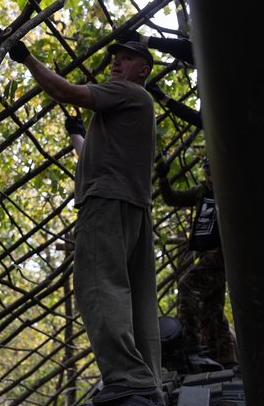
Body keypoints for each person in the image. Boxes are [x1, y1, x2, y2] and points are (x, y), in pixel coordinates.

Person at [9, 40, 162, 406]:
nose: (116, 63)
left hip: (105, 202)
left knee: (97, 283)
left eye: (127, 59)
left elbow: (65, 90)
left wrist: (27, 58)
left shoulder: (127, 92)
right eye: (115, 58)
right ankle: (147, 382)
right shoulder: (132, 109)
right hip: (131, 206)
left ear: (144, 70)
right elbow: (92, 158)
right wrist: (77, 133)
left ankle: (126, 375)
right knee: (134, 294)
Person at [156, 156, 237, 368]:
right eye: (207, 171)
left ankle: (189, 344)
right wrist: (163, 179)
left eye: (213, 171)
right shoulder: (202, 191)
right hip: (206, 253)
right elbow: (172, 198)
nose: (210, 175)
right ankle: (224, 358)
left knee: (187, 285)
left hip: (221, 253)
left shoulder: (231, 189)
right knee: (212, 310)